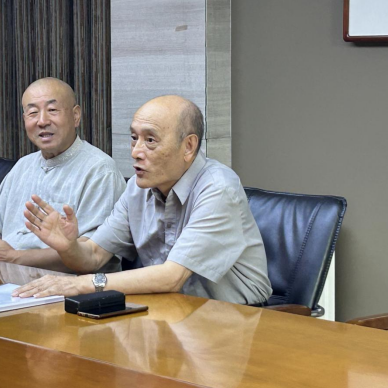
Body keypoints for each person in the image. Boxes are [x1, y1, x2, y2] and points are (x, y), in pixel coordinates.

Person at [15, 95, 273, 305]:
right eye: (133, 138)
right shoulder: (137, 189)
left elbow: (172, 276)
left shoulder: (218, 188)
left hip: (240, 319)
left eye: (150, 140)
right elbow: (93, 255)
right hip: (171, 311)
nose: (136, 152)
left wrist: (81, 284)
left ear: (188, 146)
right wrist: (68, 247)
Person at [0, 77, 126, 273]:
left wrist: (14, 257)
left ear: (76, 116)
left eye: (52, 110)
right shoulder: (22, 166)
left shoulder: (100, 171)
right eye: (32, 113)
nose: (42, 121)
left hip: (67, 284)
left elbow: (92, 253)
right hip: (6, 276)